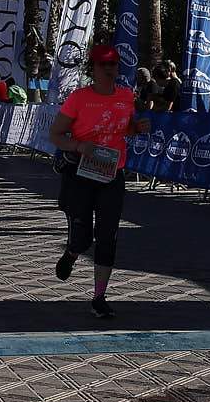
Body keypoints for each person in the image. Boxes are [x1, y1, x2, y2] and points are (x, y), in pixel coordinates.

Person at [49, 42, 150, 319]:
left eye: (113, 64)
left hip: (111, 174)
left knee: (108, 236)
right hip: (80, 174)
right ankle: (71, 252)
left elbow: (125, 128)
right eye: (103, 64)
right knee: (83, 239)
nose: (109, 69)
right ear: (93, 68)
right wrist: (80, 147)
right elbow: (56, 135)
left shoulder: (126, 96)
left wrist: (137, 129)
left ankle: (99, 297)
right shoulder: (79, 98)